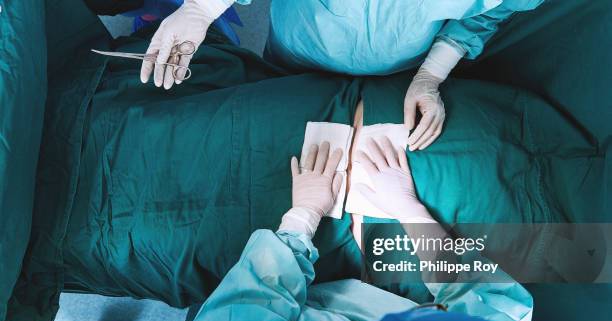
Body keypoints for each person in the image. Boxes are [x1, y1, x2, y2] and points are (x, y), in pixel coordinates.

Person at [189, 139, 573, 321]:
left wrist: (301, 217)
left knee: (198, 307)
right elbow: (480, 296)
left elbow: (240, 311)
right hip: (362, 303)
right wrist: (411, 211)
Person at [139, 0, 542, 151]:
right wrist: (201, 9)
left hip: (397, 66)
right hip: (300, 44)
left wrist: (431, 75)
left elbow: (485, 16)